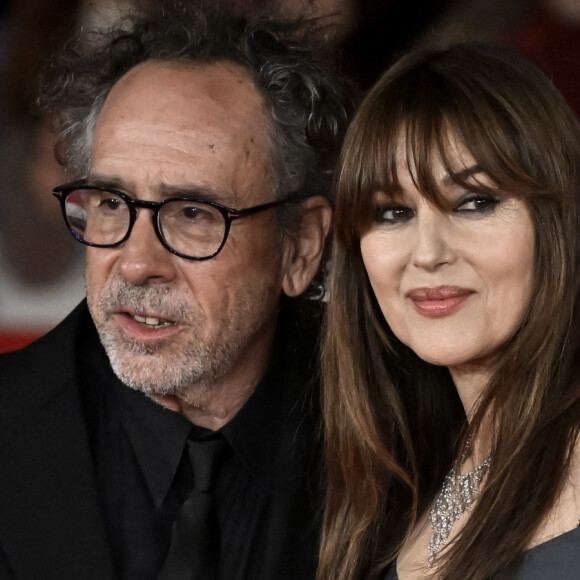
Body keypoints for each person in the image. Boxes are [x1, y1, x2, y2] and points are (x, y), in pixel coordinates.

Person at [0, 2, 354, 579]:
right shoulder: (12, 432)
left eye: (193, 212)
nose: (137, 264)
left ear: (301, 247)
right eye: (111, 204)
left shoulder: (404, 444)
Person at [319, 41, 580, 580]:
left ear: (558, 223)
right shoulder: (391, 489)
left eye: (474, 202)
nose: (429, 252)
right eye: (392, 212)